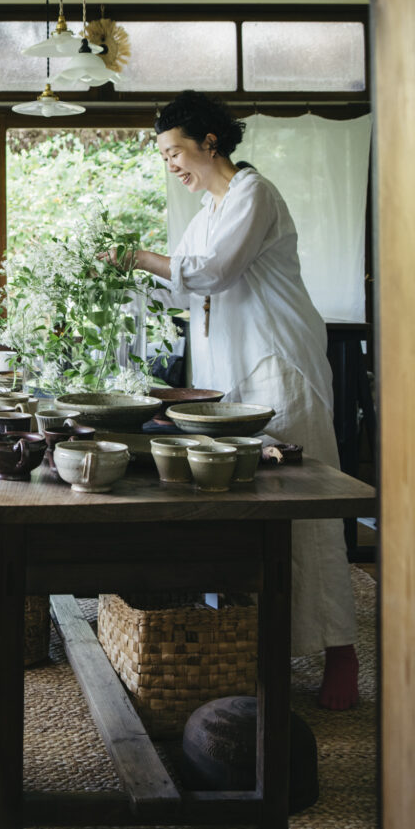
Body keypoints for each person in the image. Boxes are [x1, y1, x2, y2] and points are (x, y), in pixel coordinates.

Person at [126, 90, 359, 710]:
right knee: (247, 516)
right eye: (163, 155)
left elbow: (214, 271)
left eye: (174, 150)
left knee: (302, 509)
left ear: (209, 142)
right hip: (232, 375)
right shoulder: (207, 210)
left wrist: (137, 256)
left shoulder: (253, 193)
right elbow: (190, 288)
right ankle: (260, 647)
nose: (170, 163)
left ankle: (342, 655)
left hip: (277, 366)